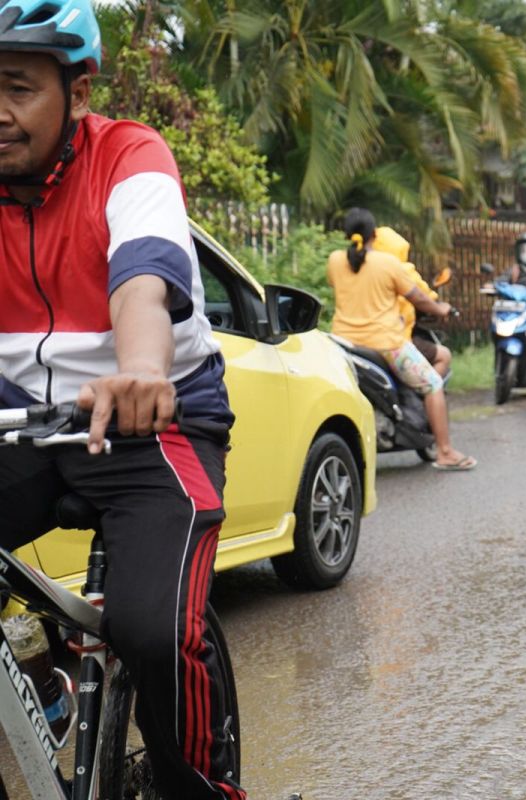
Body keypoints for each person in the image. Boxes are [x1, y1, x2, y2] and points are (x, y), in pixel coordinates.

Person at [0, 2, 243, 797]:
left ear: (78, 90)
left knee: (153, 627)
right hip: (23, 423)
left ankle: (200, 788)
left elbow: (145, 277)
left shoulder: (130, 156)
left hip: (150, 419)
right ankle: (38, 679)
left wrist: (142, 369)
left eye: (15, 87)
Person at [328, 209, 477, 471]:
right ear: (375, 234)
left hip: (343, 342)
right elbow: (418, 297)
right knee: (431, 383)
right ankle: (445, 452)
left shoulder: (335, 261)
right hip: (385, 344)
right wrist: (440, 309)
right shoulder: (388, 264)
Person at [372, 225, 453, 378]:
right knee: (444, 356)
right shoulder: (401, 270)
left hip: (361, 338)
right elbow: (424, 297)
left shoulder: (364, 269)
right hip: (395, 339)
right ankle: (422, 397)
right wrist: (441, 308)